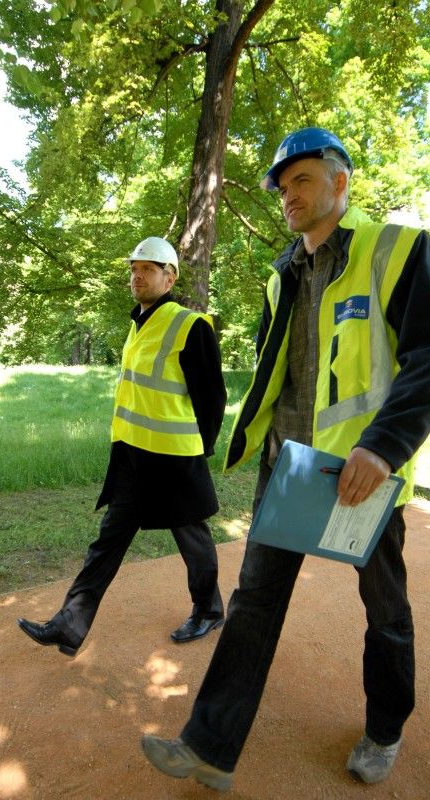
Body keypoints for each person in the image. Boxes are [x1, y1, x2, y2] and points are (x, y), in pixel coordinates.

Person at [141, 128, 430, 791]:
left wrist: (384, 447)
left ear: (340, 183)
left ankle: (384, 730)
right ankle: (209, 747)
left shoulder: (397, 251)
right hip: (293, 468)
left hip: (364, 475)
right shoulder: (282, 275)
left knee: (384, 609)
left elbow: (427, 357)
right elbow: (281, 377)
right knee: (253, 603)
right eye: (281, 186)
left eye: (301, 180)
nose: (287, 195)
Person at [17, 236, 227, 658]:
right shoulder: (138, 325)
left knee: (192, 538)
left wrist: (196, 449)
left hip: (174, 458)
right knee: (108, 540)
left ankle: (208, 609)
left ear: (169, 277)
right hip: (133, 458)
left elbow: (213, 399)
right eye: (134, 268)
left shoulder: (190, 325)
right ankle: (68, 623)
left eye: (147, 269)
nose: (137, 275)